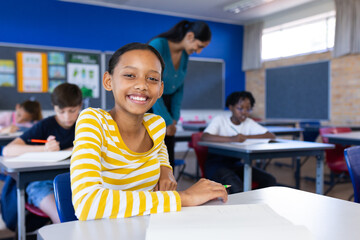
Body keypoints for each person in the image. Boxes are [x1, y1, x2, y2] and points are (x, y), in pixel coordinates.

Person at [71, 42, 227, 221]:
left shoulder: (156, 124)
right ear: (108, 81)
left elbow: (159, 150)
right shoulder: (93, 121)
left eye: (152, 79)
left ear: (160, 89)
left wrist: (165, 169)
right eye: (130, 75)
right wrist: (184, 197)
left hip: (152, 226)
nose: (142, 85)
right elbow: (87, 204)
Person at [3, 83, 83, 224]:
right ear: (54, 107)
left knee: (87, 216)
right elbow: (8, 150)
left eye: (72, 111)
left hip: (76, 180)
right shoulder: (46, 125)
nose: (67, 117)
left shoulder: (85, 123)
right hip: (42, 184)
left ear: (80, 106)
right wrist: (43, 149)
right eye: (61, 111)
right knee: (63, 218)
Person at [149, 20, 211, 169]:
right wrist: (167, 120)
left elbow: (179, 88)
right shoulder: (158, 45)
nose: (199, 51)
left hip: (168, 107)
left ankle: (169, 191)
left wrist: (174, 119)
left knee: (168, 157)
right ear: (190, 36)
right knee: (152, 156)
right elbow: (151, 86)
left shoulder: (185, 55)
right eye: (199, 46)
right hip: (150, 103)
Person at [201, 91, 277, 194]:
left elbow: (270, 136)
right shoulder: (220, 120)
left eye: (248, 109)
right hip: (216, 165)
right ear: (231, 107)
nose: (244, 112)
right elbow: (205, 137)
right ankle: (243, 206)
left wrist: (246, 137)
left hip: (236, 165)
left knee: (269, 180)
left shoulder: (248, 122)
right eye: (240, 108)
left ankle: (255, 203)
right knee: (235, 185)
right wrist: (232, 139)